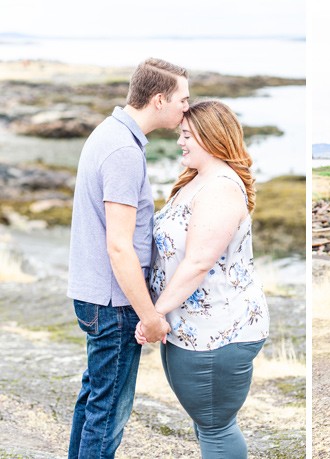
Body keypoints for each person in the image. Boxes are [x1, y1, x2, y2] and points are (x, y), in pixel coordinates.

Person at [67, 57, 189, 459]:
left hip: (94, 294)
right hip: (113, 302)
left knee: (93, 400)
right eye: (182, 100)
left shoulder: (109, 133)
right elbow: (119, 245)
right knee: (108, 413)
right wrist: (150, 316)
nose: (186, 108)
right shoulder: (122, 149)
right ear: (158, 99)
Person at [135, 100, 269, 458]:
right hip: (192, 329)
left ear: (211, 138)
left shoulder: (221, 188)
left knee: (216, 428)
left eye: (187, 136)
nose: (180, 142)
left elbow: (196, 263)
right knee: (208, 425)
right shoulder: (197, 181)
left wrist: (153, 316)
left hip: (218, 334)